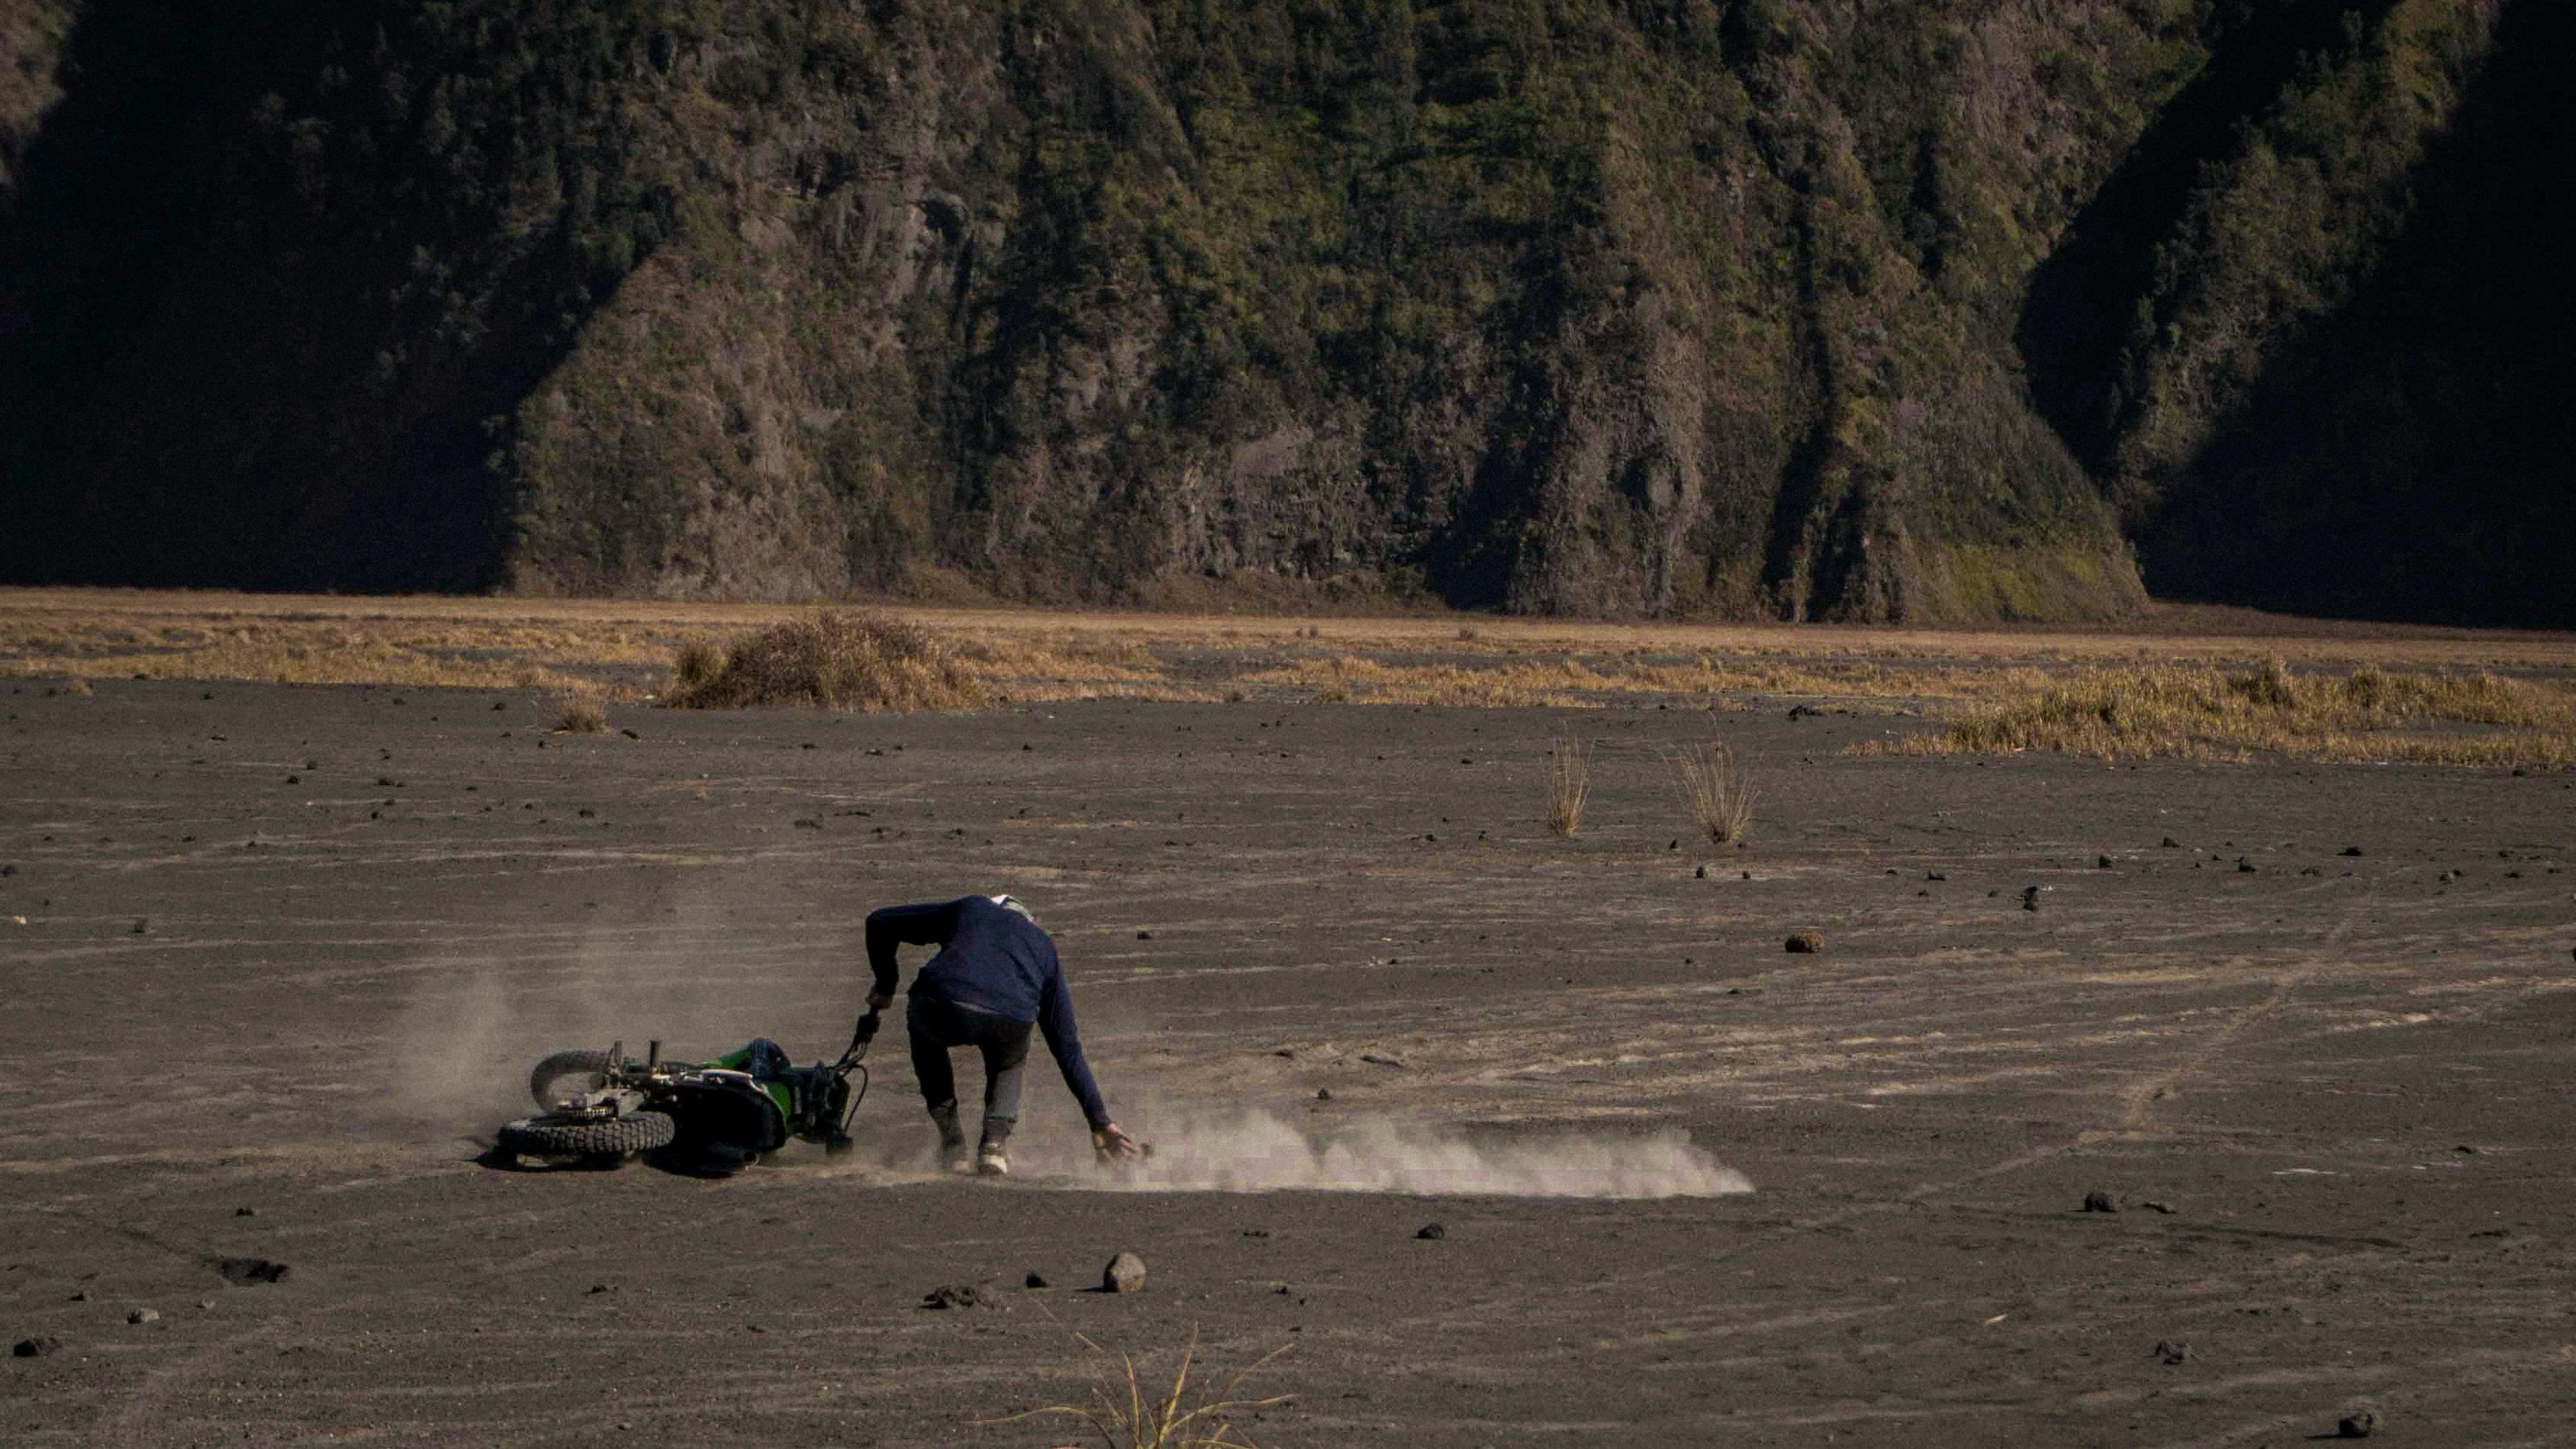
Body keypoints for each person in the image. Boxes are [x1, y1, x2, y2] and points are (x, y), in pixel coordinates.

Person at [863, 893, 1141, 1177]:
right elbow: (1066, 1047)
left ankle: (953, 1145)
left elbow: (879, 921)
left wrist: (886, 985)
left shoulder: (973, 908)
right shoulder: (1044, 946)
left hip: (943, 1002)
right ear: (1030, 921)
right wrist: (1099, 1120)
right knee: (1009, 1060)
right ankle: (993, 1147)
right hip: (1010, 1017)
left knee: (926, 1035)